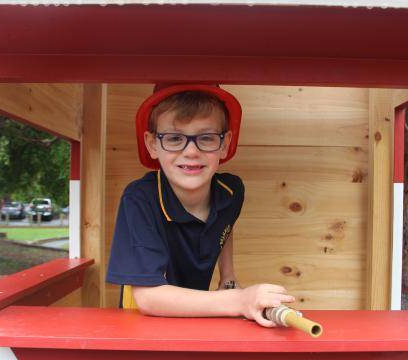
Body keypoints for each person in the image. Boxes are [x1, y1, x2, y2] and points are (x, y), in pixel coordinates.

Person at [106, 84, 295, 327]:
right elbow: (149, 298)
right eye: (174, 138)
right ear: (152, 144)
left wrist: (228, 279)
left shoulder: (231, 191)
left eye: (206, 138)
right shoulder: (140, 199)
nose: (191, 151)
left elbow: (225, 224)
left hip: (200, 311)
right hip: (145, 325)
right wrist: (239, 299)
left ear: (225, 143)